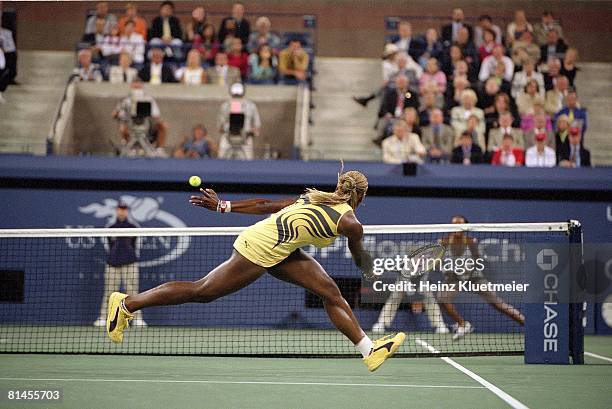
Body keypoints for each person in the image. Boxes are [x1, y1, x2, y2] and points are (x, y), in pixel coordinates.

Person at [105, 167, 407, 372]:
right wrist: (369, 267)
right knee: (203, 291)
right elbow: (358, 256)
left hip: (282, 250)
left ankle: (369, 351)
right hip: (260, 246)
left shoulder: (313, 198)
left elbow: (267, 206)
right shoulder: (350, 223)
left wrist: (226, 206)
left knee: (330, 291)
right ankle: (127, 304)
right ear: (362, 196)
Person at [437, 216, 525, 340]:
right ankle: (463, 325)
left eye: (460, 225)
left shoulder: (471, 241)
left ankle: (527, 324)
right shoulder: (444, 241)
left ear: (465, 227)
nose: (457, 228)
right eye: (454, 225)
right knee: (442, 299)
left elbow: (478, 261)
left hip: (474, 278)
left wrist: (467, 271)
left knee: (498, 304)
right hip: (455, 278)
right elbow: (437, 261)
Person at [94, 202, 146, 327]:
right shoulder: (111, 227)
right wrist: (114, 257)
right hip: (112, 264)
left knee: (133, 292)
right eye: (120, 209)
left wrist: (129, 256)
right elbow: (109, 246)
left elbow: (136, 246)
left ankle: (138, 319)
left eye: (124, 209)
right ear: (116, 211)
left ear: (127, 211)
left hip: (130, 264)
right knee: (109, 292)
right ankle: (103, 317)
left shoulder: (133, 227)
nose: (122, 211)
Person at [112, 80, 168, 154]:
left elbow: (157, 115)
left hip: (147, 126)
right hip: (130, 126)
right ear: (131, 87)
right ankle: (130, 148)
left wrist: (148, 114)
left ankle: (159, 150)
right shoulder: (125, 100)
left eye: (138, 87)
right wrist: (119, 114)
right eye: (135, 87)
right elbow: (115, 114)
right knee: (122, 127)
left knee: (163, 125)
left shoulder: (149, 99)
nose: (137, 90)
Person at [217, 82, 260, 159]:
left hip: (245, 137)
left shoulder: (251, 105)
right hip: (228, 136)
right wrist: (223, 129)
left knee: (248, 159)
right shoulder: (225, 106)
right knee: (222, 156)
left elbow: (257, 124)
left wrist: (253, 131)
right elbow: (220, 124)